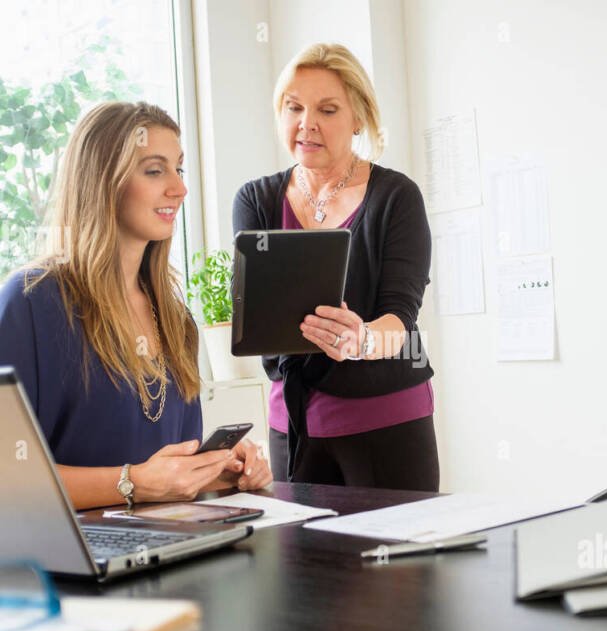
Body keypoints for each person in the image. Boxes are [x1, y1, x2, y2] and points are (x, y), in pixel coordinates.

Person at [0, 101, 272, 511]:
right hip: (73, 560)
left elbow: (164, 470)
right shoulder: (31, 301)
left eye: (178, 169)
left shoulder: (175, 317)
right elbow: (9, 476)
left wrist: (216, 471)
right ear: (103, 181)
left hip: (166, 544)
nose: (178, 189)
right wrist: (132, 483)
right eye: (154, 170)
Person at [233, 43, 439, 492]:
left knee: (398, 559)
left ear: (359, 117)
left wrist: (361, 339)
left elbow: (400, 319)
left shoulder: (396, 198)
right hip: (293, 424)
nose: (307, 123)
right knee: (301, 561)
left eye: (327, 109)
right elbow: (257, 320)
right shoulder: (255, 201)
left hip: (386, 419)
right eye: (294, 108)